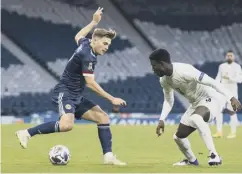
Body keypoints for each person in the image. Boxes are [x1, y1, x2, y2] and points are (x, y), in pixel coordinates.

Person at [16, 7, 127, 165]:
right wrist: (111, 98)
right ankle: (26, 132)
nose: (106, 47)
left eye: (108, 45)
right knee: (67, 125)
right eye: (104, 43)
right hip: (65, 93)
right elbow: (90, 83)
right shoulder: (88, 56)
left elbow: (78, 36)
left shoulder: (86, 43)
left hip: (75, 95)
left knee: (103, 117)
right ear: (95, 40)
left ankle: (108, 157)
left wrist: (94, 22)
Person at [149, 48, 242, 166]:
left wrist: (231, 97)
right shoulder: (164, 80)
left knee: (196, 118)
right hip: (195, 103)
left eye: (154, 66)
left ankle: (214, 155)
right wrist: (162, 119)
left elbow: (212, 82)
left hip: (212, 98)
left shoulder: (184, 71)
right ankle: (192, 161)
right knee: (178, 137)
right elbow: (168, 100)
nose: (152, 69)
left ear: (162, 64)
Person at [213, 50, 242, 138]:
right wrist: (214, 85)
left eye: (231, 56)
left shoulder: (237, 67)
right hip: (222, 92)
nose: (229, 57)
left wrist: (230, 77)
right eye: (228, 56)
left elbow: (240, 79)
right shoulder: (222, 66)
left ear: (233, 57)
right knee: (218, 111)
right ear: (226, 57)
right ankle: (219, 132)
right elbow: (218, 77)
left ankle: (233, 132)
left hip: (232, 93)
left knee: (232, 112)